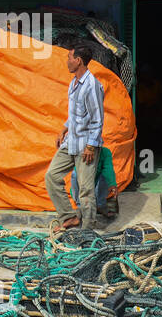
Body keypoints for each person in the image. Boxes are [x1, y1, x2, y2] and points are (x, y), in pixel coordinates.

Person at [45, 43, 105, 233]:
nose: (67, 62)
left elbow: (97, 119)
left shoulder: (92, 85)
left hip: (86, 145)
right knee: (52, 176)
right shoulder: (74, 83)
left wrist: (91, 146)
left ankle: (87, 231)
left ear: (78, 61)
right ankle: (69, 217)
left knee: (85, 190)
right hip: (72, 141)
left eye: (69, 58)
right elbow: (76, 114)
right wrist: (64, 128)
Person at [70, 143, 120, 221]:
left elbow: (108, 168)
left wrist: (112, 184)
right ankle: (80, 206)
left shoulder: (105, 152)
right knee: (75, 174)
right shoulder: (81, 151)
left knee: (105, 176)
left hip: (97, 182)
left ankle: (100, 205)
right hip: (83, 182)